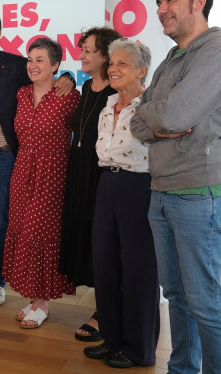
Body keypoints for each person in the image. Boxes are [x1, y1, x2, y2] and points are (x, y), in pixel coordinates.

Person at [131, 0, 221, 374]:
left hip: (200, 193)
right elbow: (139, 122)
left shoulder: (219, 50)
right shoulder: (171, 58)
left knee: (204, 301)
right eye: (159, 1)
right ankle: (182, 369)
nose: (160, 9)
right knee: (176, 294)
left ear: (199, 2)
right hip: (161, 190)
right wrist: (157, 116)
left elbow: (173, 113)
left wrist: (158, 113)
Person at [0, 10, 75, 313]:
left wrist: (69, 77)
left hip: (2, 157)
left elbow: (46, 78)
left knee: (3, 223)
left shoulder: (17, 65)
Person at [83, 40, 159, 369]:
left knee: (139, 270)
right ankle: (112, 339)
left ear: (142, 71)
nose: (113, 68)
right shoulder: (107, 104)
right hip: (107, 184)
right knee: (105, 266)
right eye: (112, 62)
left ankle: (139, 349)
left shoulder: (151, 105)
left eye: (123, 64)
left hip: (139, 186)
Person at [2, 38, 80, 328]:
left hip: (53, 174)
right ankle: (35, 295)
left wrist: (70, 79)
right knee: (22, 231)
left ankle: (42, 302)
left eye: (40, 60)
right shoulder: (21, 94)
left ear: (56, 65)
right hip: (22, 171)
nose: (33, 65)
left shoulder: (70, 96)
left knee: (38, 233)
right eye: (30, 59)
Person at [59, 27, 122, 342]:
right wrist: (68, 75)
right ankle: (104, 307)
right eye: (81, 49)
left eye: (87, 50)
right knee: (88, 239)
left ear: (105, 55)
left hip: (101, 174)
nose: (81, 55)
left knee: (104, 243)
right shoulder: (84, 88)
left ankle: (105, 313)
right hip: (79, 171)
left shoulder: (117, 91)